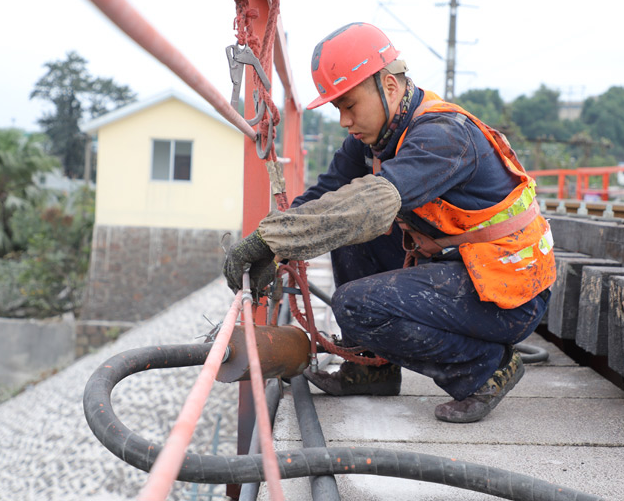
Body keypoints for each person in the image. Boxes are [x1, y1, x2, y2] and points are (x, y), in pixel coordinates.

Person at [224, 22, 556, 423]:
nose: (345, 121)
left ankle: (485, 367)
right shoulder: (372, 141)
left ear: (390, 86)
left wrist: (273, 240)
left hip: (509, 292)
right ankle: (370, 370)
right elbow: (323, 198)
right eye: (338, 109)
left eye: (350, 105)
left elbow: (373, 203)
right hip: (466, 269)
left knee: (356, 306)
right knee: (348, 228)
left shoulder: (443, 136)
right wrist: (270, 247)